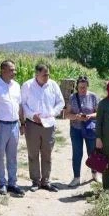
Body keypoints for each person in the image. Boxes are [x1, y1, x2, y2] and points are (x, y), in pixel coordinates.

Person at [21, 63, 65, 192]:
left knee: (47, 154)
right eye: (44, 74)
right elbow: (23, 104)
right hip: (32, 124)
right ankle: (35, 181)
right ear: (37, 74)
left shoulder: (53, 85)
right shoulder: (27, 85)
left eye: (48, 74)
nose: (47, 76)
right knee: (33, 153)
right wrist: (31, 115)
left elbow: (60, 102)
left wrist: (52, 113)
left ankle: (45, 181)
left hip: (49, 125)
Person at [0, 60, 25, 195]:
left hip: (14, 125)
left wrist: (22, 123)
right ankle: (2, 183)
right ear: (3, 70)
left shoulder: (16, 85)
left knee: (12, 156)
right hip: (0, 125)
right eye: (11, 70)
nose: (14, 72)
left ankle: (12, 183)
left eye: (14, 69)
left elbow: (20, 106)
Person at [65, 75, 99, 187]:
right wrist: (76, 117)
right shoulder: (72, 97)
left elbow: (99, 113)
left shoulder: (94, 97)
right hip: (76, 129)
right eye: (80, 87)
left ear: (88, 86)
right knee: (77, 153)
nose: (82, 89)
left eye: (84, 87)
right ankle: (76, 177)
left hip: (90, 129)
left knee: (92, 152)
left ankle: (95, 174)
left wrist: (90, 116)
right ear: (77, 87)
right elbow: (67, 114)